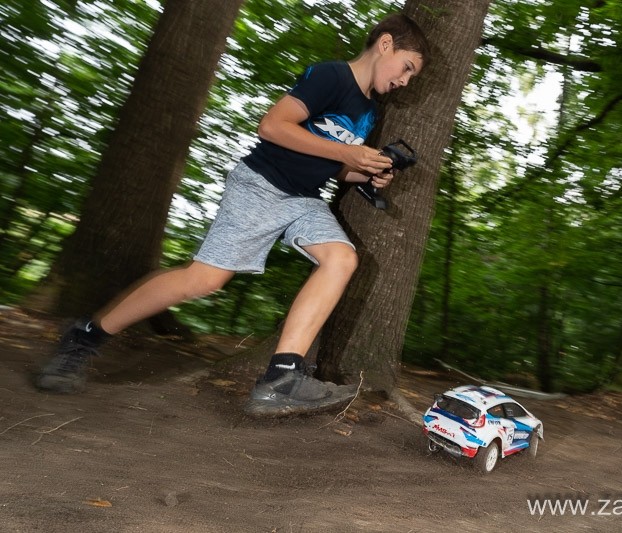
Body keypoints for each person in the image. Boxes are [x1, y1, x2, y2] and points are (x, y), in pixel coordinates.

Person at [36, 14, 430, 416]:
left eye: (411, 76)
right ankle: (85, 335)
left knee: (342, 259)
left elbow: (334, 163)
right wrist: (348, 153)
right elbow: (272, 126)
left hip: (304, 199)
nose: (405, 81)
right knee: (204, 280)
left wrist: (364, 172)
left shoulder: (368, 110)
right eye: (406, 68)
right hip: (261, 185)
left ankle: (282, 377)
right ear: (385, 44)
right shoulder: (331, 76)